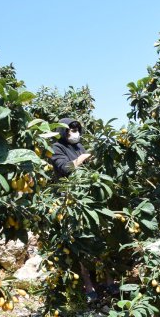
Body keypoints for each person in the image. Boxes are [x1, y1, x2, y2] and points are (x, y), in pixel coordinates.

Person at [50, 118, 117, 302]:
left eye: (76, 129)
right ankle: (88, 284)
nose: (74, 133)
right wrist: (83, 158)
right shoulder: (57, 147)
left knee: (97, 237)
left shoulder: (80, 145)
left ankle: (108, 279)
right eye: (70, 130)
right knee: (78, 242)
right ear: (63, 132)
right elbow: (65, 168)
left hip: (88, 198)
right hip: (69, 201)